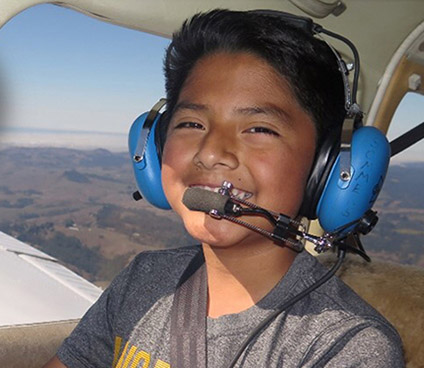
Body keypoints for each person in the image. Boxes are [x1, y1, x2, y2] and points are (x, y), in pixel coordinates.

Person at [44, 9, 404, 368]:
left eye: (259, 129)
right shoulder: (143, 280)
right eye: (191, 123)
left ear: (325, 167)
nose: (212, 152)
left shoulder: (345, 347)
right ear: (155, 145)